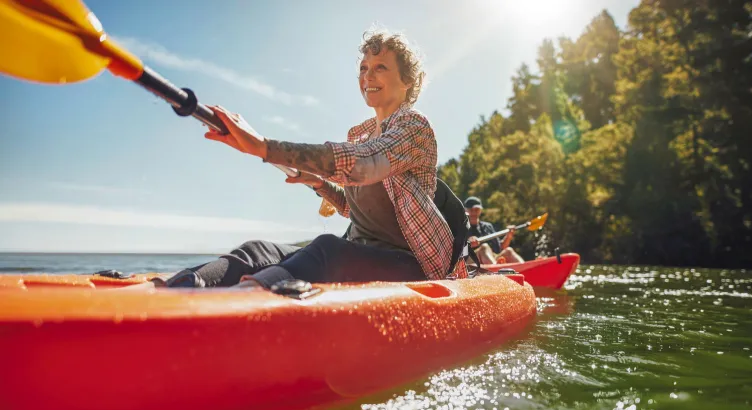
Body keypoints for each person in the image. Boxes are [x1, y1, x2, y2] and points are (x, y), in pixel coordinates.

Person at [126, 30, 467, 290]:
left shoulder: (413, 128)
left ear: (408, 81)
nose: (368, 76)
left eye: (380, 67)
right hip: (358, 252)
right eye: (364, 68)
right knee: (258, 249)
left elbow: (365, 164)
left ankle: (245, 303)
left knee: (327, 249)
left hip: (410, 267)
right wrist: (321, 185)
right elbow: (357, 208)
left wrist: (263, 147)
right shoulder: (361, 134)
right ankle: (176, 290)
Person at [464, 196, 524, 265]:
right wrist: (468, 245)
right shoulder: (460, 228)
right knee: (484, 247)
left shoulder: (487, 226)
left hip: (491, 261)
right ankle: (496, 270)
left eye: (476, 209)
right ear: (465, 211)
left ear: (480, 210)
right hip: (469, 263)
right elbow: (455, 254)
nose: (474, 212)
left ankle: (527, 267)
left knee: (509, 251)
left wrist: (509, 236)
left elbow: (501, 247)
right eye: (471, 210)